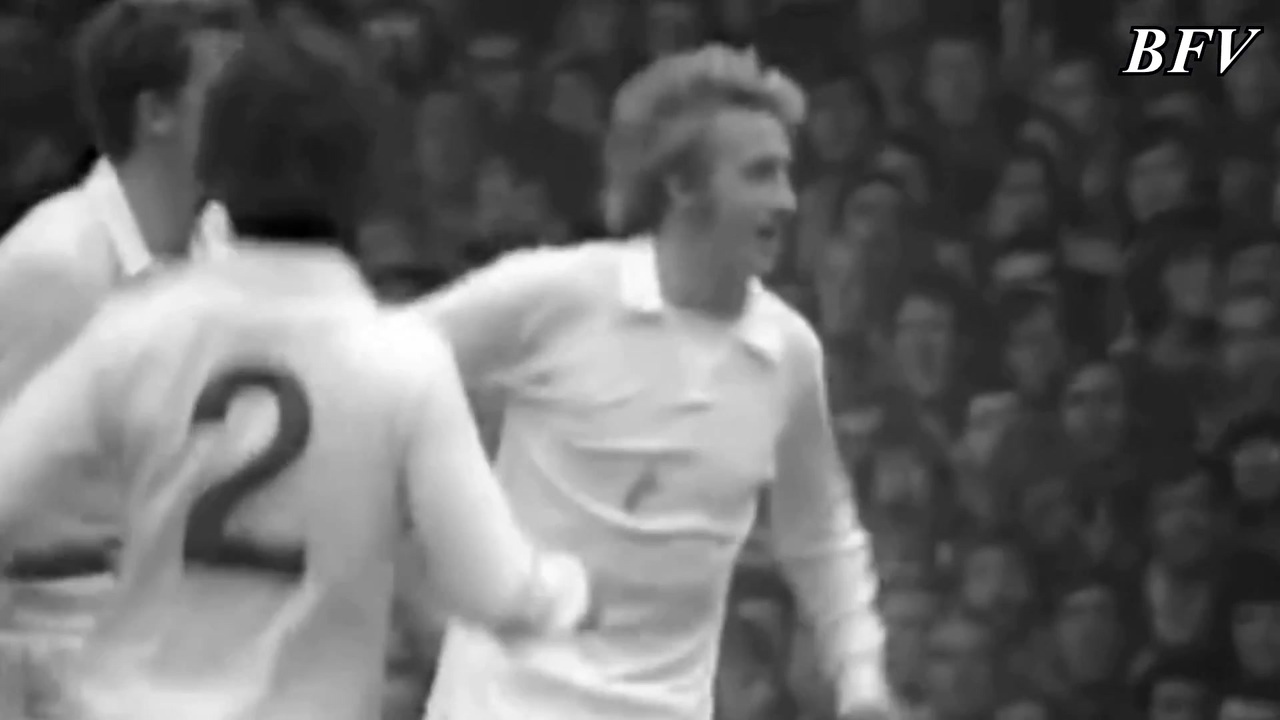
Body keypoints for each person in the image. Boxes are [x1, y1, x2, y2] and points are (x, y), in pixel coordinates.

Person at [0, 20, 594, 720]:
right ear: (365, 174)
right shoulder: (400, 357)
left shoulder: (138, 327)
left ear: (220, 156)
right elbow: (495, 588)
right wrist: (575, 590)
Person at [406, 44, 885, 720]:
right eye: (759, 174)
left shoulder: (788, 353)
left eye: (786, 174)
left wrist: (862, 682)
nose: (785, 200)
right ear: (681, 185)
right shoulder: (559, 294)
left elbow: (821, 534)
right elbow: (373, 369)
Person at [0, 1, 241, 715]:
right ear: (156, 114)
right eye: (226, 93)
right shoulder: (52, 264)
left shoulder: (226, 244)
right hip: (67, 656)